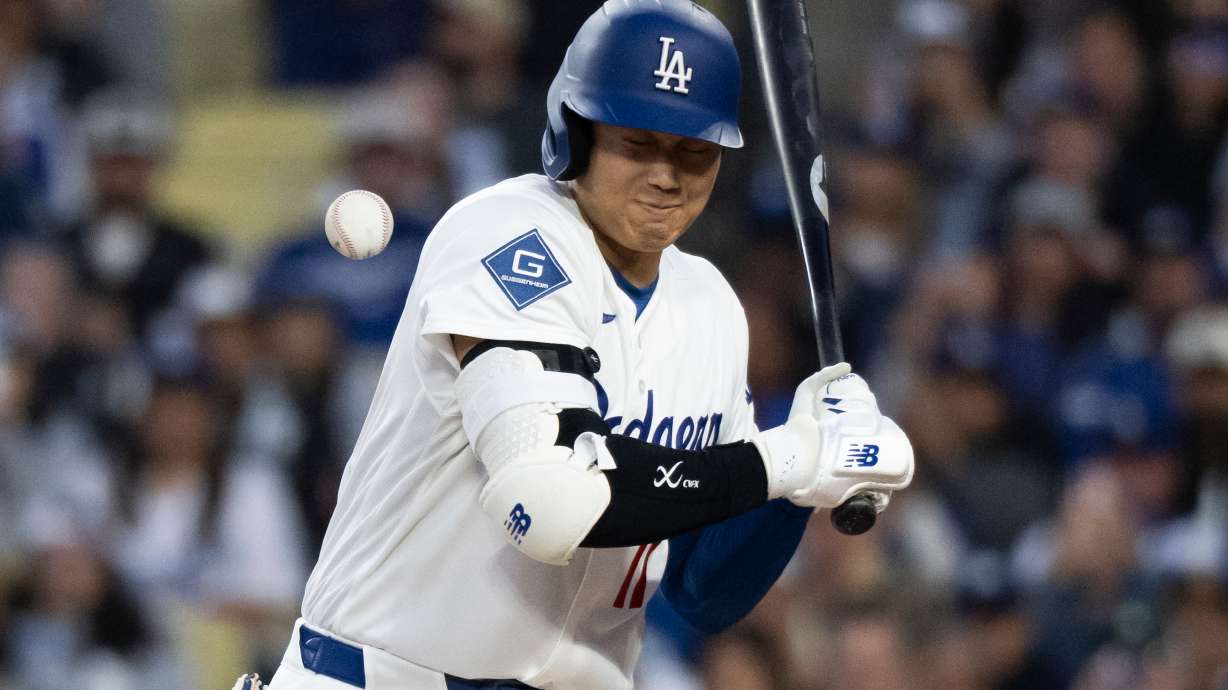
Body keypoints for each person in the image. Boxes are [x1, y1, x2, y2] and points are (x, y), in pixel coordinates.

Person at [259, 2, 913, 689]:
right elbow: (549, 501)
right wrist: (785, 458)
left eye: (694, 150)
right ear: (573, 134)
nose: (667, 174)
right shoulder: (510, 234)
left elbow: (703, 590)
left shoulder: (712, 305)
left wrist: (803, 483)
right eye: (639, 141)